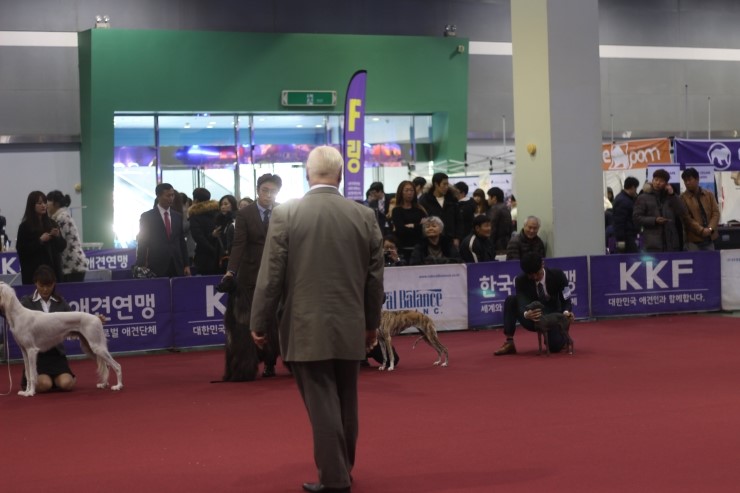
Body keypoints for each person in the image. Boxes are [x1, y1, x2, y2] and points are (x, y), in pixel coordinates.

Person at [250, 146, 384, 493]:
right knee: (347, 400)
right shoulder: (364, 216)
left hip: (304, 325)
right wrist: (371, 324)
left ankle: (335, 478)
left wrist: (259, 321)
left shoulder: (286, 214)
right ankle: (343, 468)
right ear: (340, 174)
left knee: (322, 402)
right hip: (351, 322)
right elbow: (374, 280)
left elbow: (271, 275)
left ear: (307, 174)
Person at [221, 173, 283, 380]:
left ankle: (271, 362)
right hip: (250, 275)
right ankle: (250, 361)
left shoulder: (283, 211)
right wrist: (231, 271)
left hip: (278, 273)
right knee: (252, 321)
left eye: (273, 191)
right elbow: (238, 244)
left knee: (275, 320)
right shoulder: (245, 214)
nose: (268, 195)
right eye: (265, 190)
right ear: (257, 191)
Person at [493, 253, 574, 356]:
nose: (535, 277)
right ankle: (509, 342)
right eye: (531, 275)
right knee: (511, 300)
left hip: (552, 319)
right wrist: (526, 314)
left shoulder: (558, 275)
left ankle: (561, 338)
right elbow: (521, 302)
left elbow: (566, 299)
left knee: (554, 346)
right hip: (532, 319)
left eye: (537, 273)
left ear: (542, 264)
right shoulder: (520, 280)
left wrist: (566, 313)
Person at [19, 265, 76, 393]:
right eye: (41, 285)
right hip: (37, 356)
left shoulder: (61, 302)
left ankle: (57, 379)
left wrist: (95, 319)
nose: (45, 289)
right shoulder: (26, 302)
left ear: (54, 284)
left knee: (66, 384)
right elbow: (12, 314)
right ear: (35, 283)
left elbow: (75, 318)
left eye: (49, 286)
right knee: (45, 384)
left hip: (56, 354)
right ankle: (31, 380)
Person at [135, 183, 190, 277]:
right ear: (159, 196)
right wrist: (141, 264)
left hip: (177, 264)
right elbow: (143, 241)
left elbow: (181, 241)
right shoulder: (147, 217)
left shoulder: (177, 216)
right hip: (156, 264)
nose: (171, 198)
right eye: (168, 196)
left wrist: (186, 264)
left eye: (172, 195)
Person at [16, 191, 67, 285]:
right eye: (39, 203)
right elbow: (21, 249)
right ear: (32, 205)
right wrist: (40, 241)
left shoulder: (52, 223)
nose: (43, 205)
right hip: (33, 274)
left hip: (53, 272)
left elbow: (62, 247)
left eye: (44, 202)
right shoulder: (24, 227)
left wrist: (58, 236)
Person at [633, 169, 687, 252]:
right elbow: (636, 218)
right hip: (652, 243)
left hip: (671, 242)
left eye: (661, 181)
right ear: (652, 180)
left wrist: (672, 195)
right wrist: (654, 220)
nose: (658, 183)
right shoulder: (643, 197)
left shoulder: (671, 197)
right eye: (656, 180)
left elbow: (682, 211)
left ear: (666, 183)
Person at [45, 190, 88, 282]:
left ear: (56, 204)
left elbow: (58, 241)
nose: (46, 205)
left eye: (48, 201)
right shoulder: (60, 216)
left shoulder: (61, 217)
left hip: (73, 266)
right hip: (71, 265)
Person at [418, 172, 463, 247]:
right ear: (436, 184)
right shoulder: (424, 200)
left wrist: (457, 237)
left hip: (450, 240)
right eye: (444, 184)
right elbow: (422, 219)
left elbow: (458, 220)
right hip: (431, 240)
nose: (446, 187)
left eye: (447, 184)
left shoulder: (452, 199)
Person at [680, 167, 720, 251]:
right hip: (693, 240)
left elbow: (716, 213)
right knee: (694, 259)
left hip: (709, 238)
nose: (687, 183)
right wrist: (701, 230)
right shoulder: (682, 198)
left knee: (710, 259)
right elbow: (687, 218)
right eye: (685, 181)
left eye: (689, 180)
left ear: (697, 179)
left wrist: (710, 229)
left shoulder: (709, 194)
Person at [390, 180, 427, 264]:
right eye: (406, 190)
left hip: (419, 248)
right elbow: (400, 230)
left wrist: (413, 225)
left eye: (411, 190)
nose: (409, 193)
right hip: (403, 247)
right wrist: (418, 226)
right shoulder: (396, 210)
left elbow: (424, 228)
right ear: (401, 192)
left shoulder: (420, 209)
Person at [188, 188, 221, 275]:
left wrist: (211, 248)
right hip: (220, 254)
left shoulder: (194, 215)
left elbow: (198, 237)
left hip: (203, 257)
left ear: (195, 200)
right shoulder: (217, 212)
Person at [612, 177, 640, 253]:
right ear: (633, 187)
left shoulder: (623, 198)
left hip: (627, 235)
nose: (636, 191)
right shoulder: (623, 201)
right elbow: (619, 222)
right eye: (636, 188)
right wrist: (621, 240)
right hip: (626, 237)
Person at [213, 194, 237, 273]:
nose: (223, 207)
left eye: (226, 204)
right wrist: (213, 235)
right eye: (221, 205)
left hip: (233, 255)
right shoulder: (218, 220)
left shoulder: (236, 220)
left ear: (233, 205)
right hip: (220, 256)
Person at [486, 186, 513, 254]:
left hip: (497, 244)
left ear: (494, 198)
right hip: (506, 242)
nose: (487, 199)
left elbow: (492, 228)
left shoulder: (495, 209)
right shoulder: (505, 208)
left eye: (489, 197)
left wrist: (488, 244)